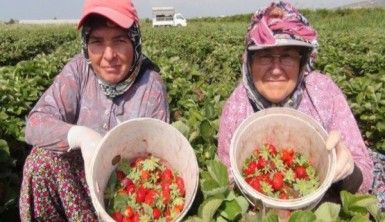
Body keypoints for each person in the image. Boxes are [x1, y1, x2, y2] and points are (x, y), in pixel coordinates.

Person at [19, 0, 169, 221]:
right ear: (86, 44)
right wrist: (81, 136)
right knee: (39, 162)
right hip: (79, 190)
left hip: (128, 195)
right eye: (97, 42)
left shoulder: (151, 86)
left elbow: (159, 164)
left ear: (135, 41)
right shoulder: (79, 70)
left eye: (119, 40)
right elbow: (35, 124)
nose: (109, 55)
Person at [217, 1, 373, 205]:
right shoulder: (236, 107)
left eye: (287, 57)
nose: (275, 69)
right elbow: (227, 184)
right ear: (249, 62)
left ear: (302, 62)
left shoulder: (323, 93)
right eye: (265, 56)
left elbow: (365, 180)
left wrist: (348, 173)